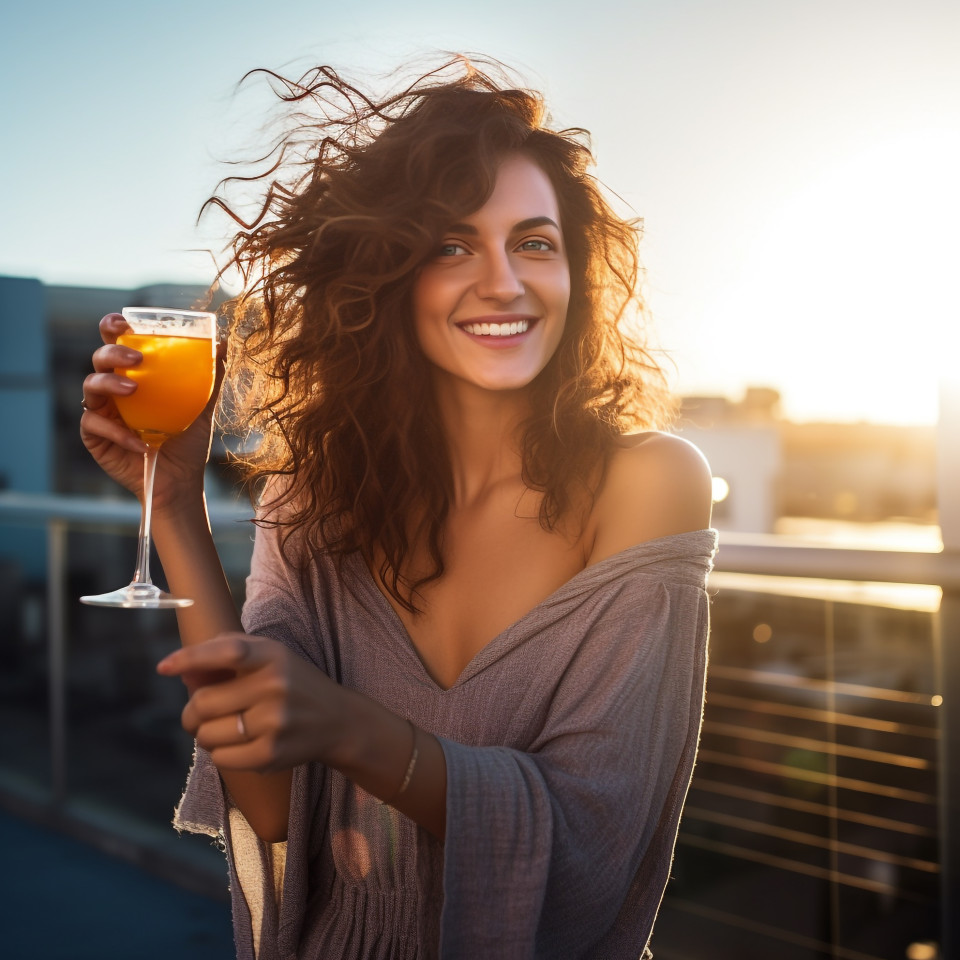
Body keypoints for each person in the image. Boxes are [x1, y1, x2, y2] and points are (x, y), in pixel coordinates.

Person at [80, 57, 715, 960]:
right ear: (390, 277)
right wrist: (175, 506)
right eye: (452, 246)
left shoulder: (648, 482)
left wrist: (349, 728)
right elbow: (268, 811)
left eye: (534, 242)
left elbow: (593, 850)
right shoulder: (316, 488)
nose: (503, 281)